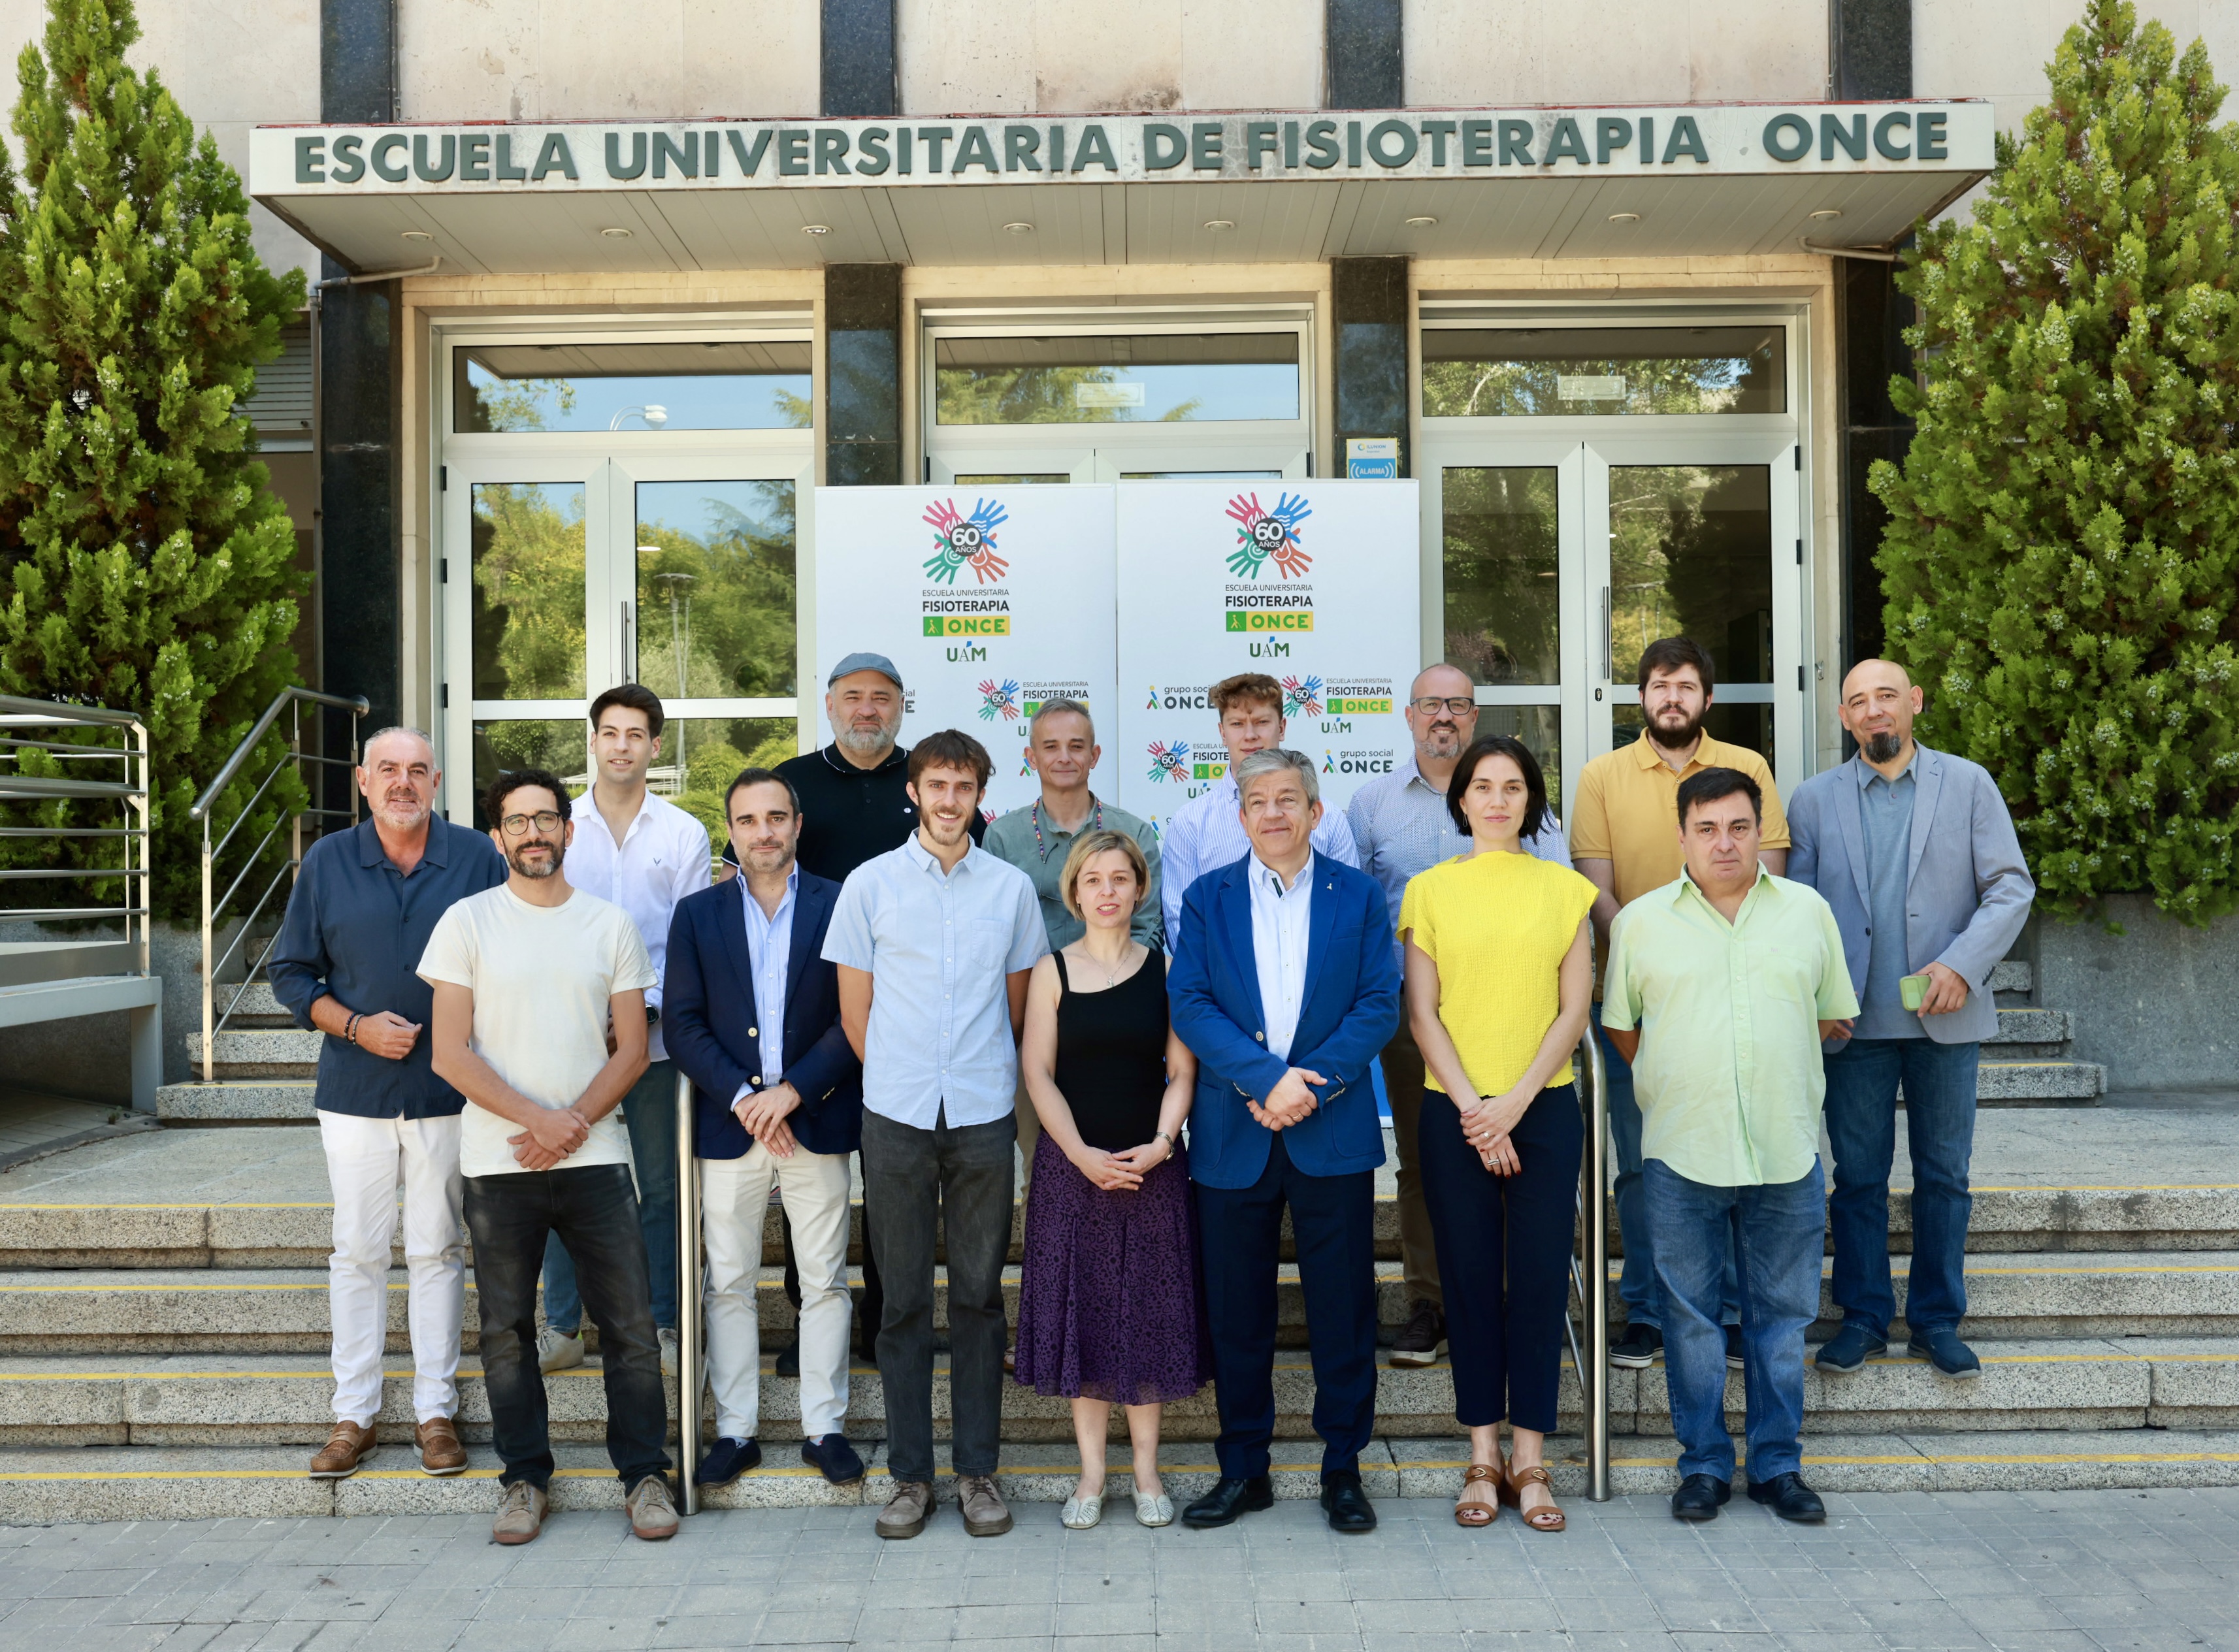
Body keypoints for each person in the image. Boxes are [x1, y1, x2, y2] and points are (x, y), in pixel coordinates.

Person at [421, 769, 676, 1546]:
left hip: (597, 1159)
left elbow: (634, 1050)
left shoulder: (610, 924)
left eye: (546, 819)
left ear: (569, 830)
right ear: (497, 836)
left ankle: (644, 1477)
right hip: (500, 1167)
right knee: (505, 1331)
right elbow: (448, 1055)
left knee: (630, 1329)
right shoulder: (465, 923)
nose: (533, 833)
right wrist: (541, 1121)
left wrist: (571, 1126)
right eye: (516, 821)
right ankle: (524, 1479)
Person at [1599, 768, 1858, 1525]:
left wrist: (1768, 1069)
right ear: (1680, 837)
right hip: (1682, 1150)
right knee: (1691, 1321)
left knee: (1780, 1324)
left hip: (1784, 1150)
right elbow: (1622, 1027)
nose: (1723, 842)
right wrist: (1684, 1076)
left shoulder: (1807, 913)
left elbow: (1828, 1015)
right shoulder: (1642, 923)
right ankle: (1705, 1465)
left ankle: (1778, 1467)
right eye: (1706, 829)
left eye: (1738, 827)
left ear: (1758, 832)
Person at [1168, 749, 1400, 1536]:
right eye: (1257, 801)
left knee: (1342, 1309)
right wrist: (1266, 1080)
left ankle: (1343, 1468)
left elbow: (1378, 1004)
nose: (1272, 813)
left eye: (1288, 799)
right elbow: (1191, 1003)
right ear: (1240, 816)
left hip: (1329, 1133)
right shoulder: (1206, 898)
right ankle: (1243, 1470)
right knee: (1237, 1315)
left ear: (1314, 810)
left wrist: (1311, 1083)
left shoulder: (1358, 896)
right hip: (1235, 1133)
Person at [821, 729, 1047, 1540]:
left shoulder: (1011, 889)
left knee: (982, 1300)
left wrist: (980, 1074)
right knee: (904, 1302)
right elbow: (855, 1015)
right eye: (936, 785)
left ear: (980, 794)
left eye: (963, 786)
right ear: (913, 792)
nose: (949, 800)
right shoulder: (870, 885)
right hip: (896, 1117)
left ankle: (978, 1473)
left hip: (985, 1113)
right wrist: (898, 1079)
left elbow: (1018, 1009)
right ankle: (911, 1477)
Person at [268, 728, 506, 1482]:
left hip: (448, 1090)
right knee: (359, 1251)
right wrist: (354, 1025)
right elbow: (290, 972)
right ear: (363, 782)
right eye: (388, 772)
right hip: (355, 1092)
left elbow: (504, 961)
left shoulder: (475, 857)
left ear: (436, 781)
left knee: (437, 1248)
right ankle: (355, 1415)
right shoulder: (329, 862)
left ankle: (436, 1412)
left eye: (417, 771)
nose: (403, 783)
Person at [1788, 659, 2035, 1380]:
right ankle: (1862, 1316)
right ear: (1843, 718)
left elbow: (2009, 887)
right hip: (1851, 1027)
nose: (1874, 712)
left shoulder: (1967, 785)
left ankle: (1934, 1319)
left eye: (1886, 697)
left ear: (1915, 703)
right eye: (1858, 702)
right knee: (1857, 1178)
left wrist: (1961, 965)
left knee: (1944, 1176)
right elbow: (1798, 914)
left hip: (1947, 1017)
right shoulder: (1811, 801)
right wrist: (1818, 1000)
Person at [1570, 637, 1791, 1373]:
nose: (1672, 697)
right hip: (1636, 1004)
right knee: (1641, 1166)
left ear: (1707, 697)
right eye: (1659, 685)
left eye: (1686, 685)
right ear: (1641, 697)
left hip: (1736, 1002)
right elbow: (1597, 888)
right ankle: (1648, 1311)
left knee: (1732, 1161)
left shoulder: (1746, 769)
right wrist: (1652, 955)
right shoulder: (1602, 775)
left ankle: (1727, 1311)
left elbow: (1769, 873)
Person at [1348, 663, 1572, 1370]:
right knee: (1423, 1163)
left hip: (1519, 1027)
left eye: (1458, 705)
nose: (1443, 715)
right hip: (1413, 1019)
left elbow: (1565, 921)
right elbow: (1353, 907)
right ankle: (1430, 1301)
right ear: (1408, 714)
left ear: (1474, 717)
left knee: (1514, 1170)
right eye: (1430, 704)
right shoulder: (1373, 803)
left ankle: (1505, 1297)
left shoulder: (1536, 820)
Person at [1397, 736, 1595, 1532]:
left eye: (1513, 787)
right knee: (1470, 1283)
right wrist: (1477, 1109)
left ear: (1532, 801)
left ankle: (1531, 1459)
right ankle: (1482, 1455)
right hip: (1453, 1111)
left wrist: (1510, 1105)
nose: (1496, 800)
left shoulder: (1566, 890)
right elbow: (1422, 1014)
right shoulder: (1427, 892)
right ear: (1461, 801)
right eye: (1482, 786)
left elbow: (1572, 1010)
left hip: (1540, 1108)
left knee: (1540, 1283)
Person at [768, 652, 987, 1370]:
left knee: (902, 1194)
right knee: (820, 1179)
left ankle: (889, 1326)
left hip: (923, 1024)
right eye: (854, 697)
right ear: (829, 704)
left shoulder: (931, 785)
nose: (868, 710)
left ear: (901, 706)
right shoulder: (793, 783)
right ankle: (814, 1325)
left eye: (883, 698)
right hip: (818, 1009)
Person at [665, 768, 867, 1491]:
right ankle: (735, 1431)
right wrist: (749, 1097)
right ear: (732, 829)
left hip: (815, 1119)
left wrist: (792, 1093)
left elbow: (856, 1019)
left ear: (798, 826)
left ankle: (825, 1427)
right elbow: (681, 1024)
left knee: (824, 1281)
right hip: (731, 1127)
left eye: (776, 818)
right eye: (748, 821)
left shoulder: (842, 905)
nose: (764, 832)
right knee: (727, 1283)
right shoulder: (697, 913)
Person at [1015, 829, 1207, 1531]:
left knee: (1149, 1319)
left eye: (1119, 879)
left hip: (1151, 1170)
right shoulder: (1050, 971)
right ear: (1074, 891)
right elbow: (1036, 1071)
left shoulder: (1164, 969)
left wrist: (1160, 1144)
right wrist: (1078, 1153)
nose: (1106, 891)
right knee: (1087, 1319)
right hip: (1074, 1174)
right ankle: (1092, 1476)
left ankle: (1148, 1473)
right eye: (1092, 880)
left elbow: (1182, 1071)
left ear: (1138, 889)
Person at [536, 685, 710, 1379]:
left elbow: (691, 944)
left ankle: (662, 1322)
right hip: (566, 1040)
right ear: (593, 740)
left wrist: (639, 1013)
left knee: (662, 1188)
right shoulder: (557, 825)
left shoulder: (683, 834)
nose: (621, 746)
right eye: (609, 733)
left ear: (655, 746)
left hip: (657, 1044)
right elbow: (538, 926)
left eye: (635, 735)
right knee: (561, 1177)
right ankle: (560, 1326)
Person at [984, 696, 1162, 1193]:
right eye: (1051, 746)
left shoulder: (1133, 832)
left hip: (1112, 1030)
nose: (1064, 757)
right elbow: (993, 936)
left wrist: (1105, 1002)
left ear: (1095, 755)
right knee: (1039, 1162)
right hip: (1027, 1025)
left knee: (1122, 1159)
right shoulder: (1002, 836)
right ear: (1031, 757)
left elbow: (1147, 927)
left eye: (1076, 746)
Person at [1157, 672, 1358, 945]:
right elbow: (1180, 924)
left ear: (1282, 727)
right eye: (1238, 724)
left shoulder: (1330, 819)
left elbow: (1349, 912)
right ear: (1222, 733)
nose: (1250, 735)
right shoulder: (1190, 823)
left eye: (1262, 722)